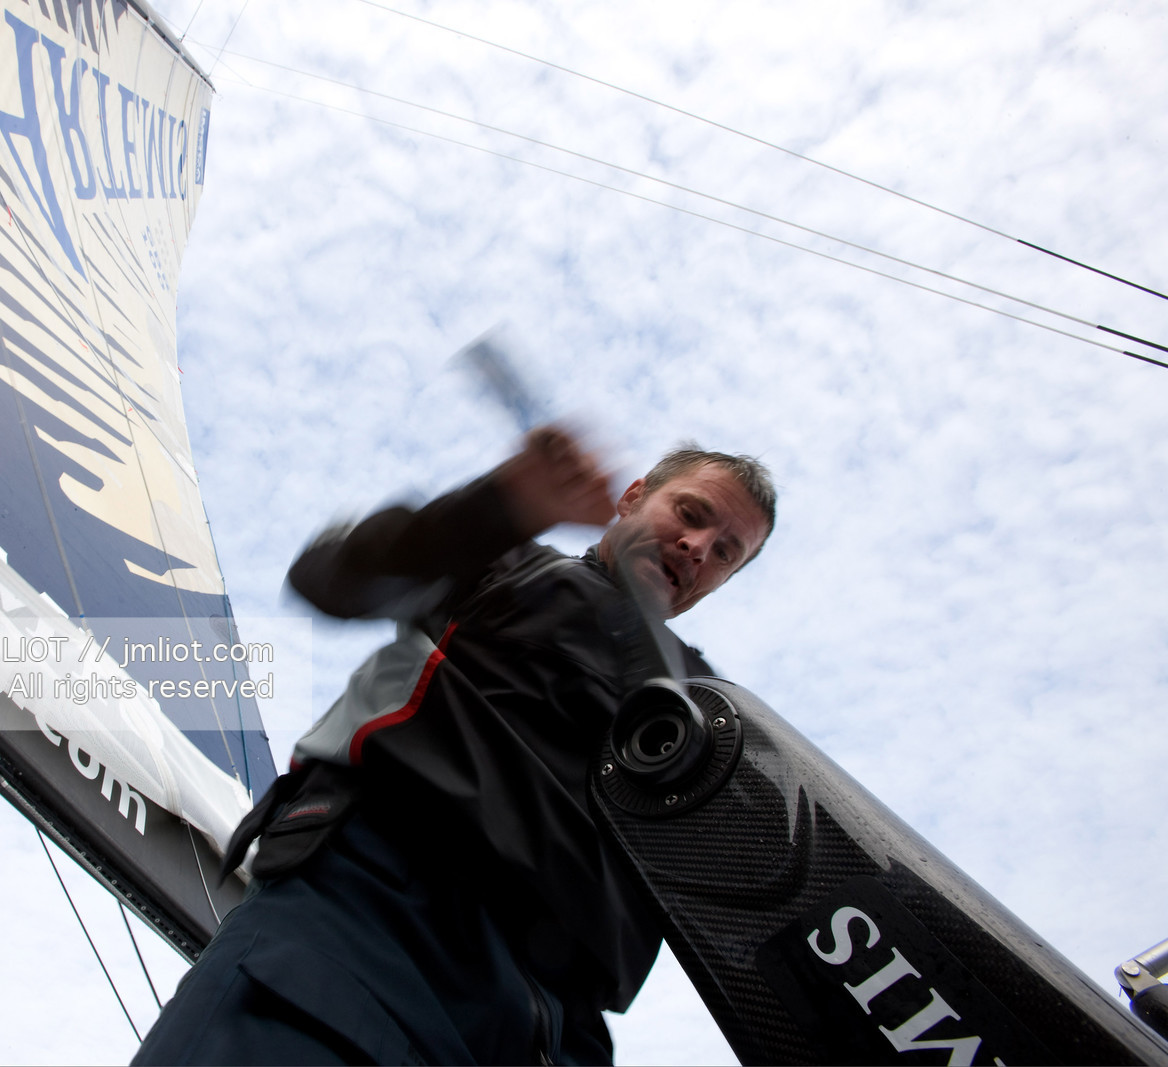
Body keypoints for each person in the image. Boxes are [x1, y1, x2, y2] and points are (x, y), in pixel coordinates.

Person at [135, 426, 775, 1066]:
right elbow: (332, 577)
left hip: (552, 1030)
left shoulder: (714, 715)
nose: (697, 548)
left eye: (726, 554)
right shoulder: (503, 561)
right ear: (633, 497)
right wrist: (503, 505)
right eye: (690, 515)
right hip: (365, 921)